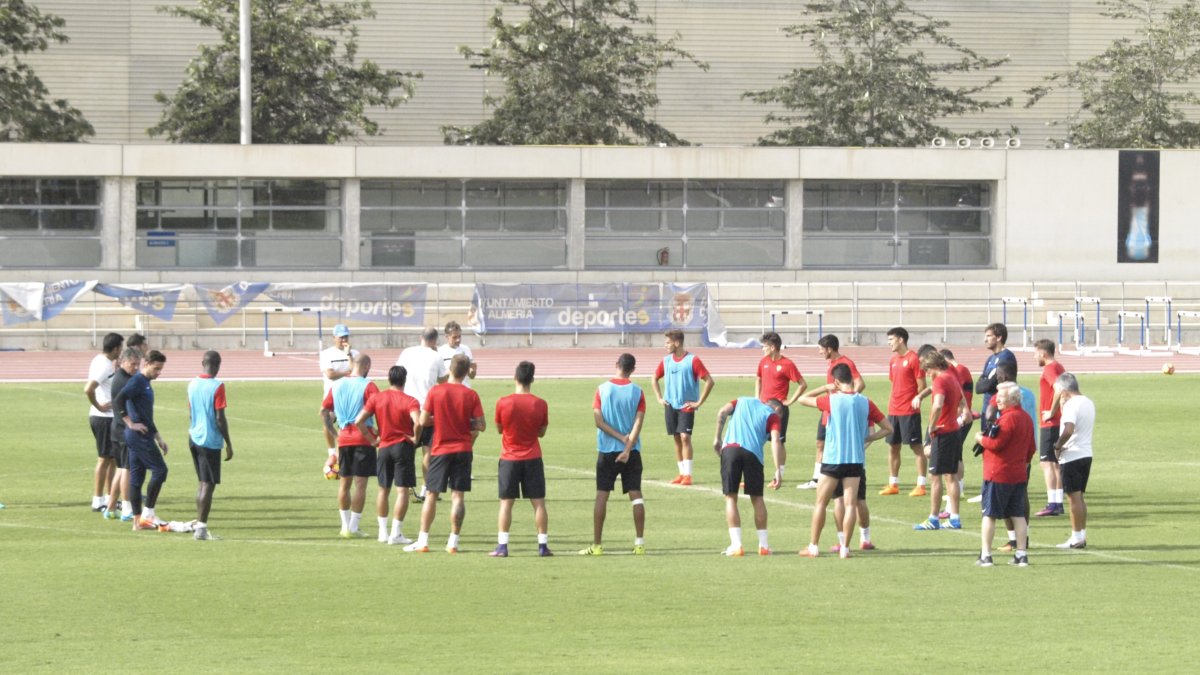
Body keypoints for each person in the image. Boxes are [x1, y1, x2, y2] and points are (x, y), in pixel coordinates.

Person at [796, 364, 891, 558]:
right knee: (850, 505)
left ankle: (813, 546)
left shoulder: (832, 400)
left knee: (821, 503)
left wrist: (825, 388)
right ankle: (845, 549)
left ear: (837, 382)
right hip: (855, 460)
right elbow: (888, 428)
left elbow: (802, 399)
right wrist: (867, 438)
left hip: (833, 459)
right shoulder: (865, 402)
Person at [405, 355, 485, 553]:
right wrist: (464, 422)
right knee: (458, 496)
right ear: (467, 372)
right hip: (463, 450)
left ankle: (423, 541)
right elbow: (481, 425)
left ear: (449, 369)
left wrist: (441, 419)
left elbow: (423, 421)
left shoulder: (436, 391)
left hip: (440, 449)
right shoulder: (471, 394)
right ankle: (453, 542)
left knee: (431, 494)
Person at [581, 353, 647, 556]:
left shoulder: (602, 389)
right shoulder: (638, 392)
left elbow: (598, 422)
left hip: (607, 451)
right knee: (636, 495)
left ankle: (597, 545)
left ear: (616, 365)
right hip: (632, 451)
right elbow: (638, 423)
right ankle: (639, 544)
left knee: (602, 495)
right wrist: (627, 446)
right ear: (633, 370)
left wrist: (619, 438)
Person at [490, 361, 552, 558]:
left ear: (515, 377)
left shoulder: (503, 402)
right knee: (539, 503)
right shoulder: (540, 404)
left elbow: (500, 429)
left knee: (506, 503)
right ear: (532, 379)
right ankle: (542, 545)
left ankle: (502, 546)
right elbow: (541, 432)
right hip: (532, 456)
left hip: (509, 457)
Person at [356, 365, 421, 545]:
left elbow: (359, 421)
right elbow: (418, 421)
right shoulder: (410, 401)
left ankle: (382, 532)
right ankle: (396, 533)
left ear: (389, 379)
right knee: (402, 490)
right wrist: (415, 437)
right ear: (404, 380)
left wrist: (371, 439)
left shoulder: (377, 398)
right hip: (402, 446)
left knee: (383, 489)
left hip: (383, 447)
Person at [711, 396, 785, 556]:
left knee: (731, 497)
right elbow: (775, 441)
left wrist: (717, 438)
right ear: (775, 408)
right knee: (757, 498)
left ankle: (737, 545)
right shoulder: (772, 417)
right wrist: (778, 469)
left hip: (730, 449)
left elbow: (722, 412)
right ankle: (763, 546)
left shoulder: (742, 401)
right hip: (754, 455)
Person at [974, 383, 1037, 567]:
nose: (997, 400)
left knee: (989, 514)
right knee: (1017, 515)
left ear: (1013, 399)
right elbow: (1031, 448)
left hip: (998, 473)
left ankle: (986, 555)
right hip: (1017, 474)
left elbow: (996, 444)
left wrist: (980, 439)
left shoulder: (1008, 419)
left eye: (1002, 397)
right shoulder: (1026, 418)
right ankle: (1021, 554)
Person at [321, 353, 379, 538]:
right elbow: (379, 409)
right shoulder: (368, 385)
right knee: (361, 485)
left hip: (344, 438)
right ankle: (354, 527)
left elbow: (324, 411)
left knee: (344, 484)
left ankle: (344, 526)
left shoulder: (336, 385)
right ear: (367, 366)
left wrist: (335, 434)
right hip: (363, 438)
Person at [651, 329, 715, 486]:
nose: (665, 345)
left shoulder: (693, 360)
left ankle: (688, 475)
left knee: (685, 437)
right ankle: (681, 473)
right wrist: (659, 398)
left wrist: (699, 402)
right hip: (670, 405)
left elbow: (709, 381)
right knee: (677, 438)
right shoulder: (666, 361)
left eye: (668, 342)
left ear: (677, 343)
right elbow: (654, 378)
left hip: (686, 405)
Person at [115, 350, 170, 531]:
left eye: (160, 369)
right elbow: (119, 399)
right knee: (160, 470)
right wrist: (130, 422)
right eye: (156, 368)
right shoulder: (137, 381)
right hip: (138, 436)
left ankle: (137, 522)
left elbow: (146, 415)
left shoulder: (144, 382)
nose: (158, 373)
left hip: (143, 434)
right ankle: (148, 513)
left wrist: (158, 437)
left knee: (136, 478)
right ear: (146, 363)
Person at [801, 334, 865, 489]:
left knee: (833, 443)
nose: (820, 352)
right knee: (820, 443)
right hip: (828, 409)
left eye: (821, 349)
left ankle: (836, 476)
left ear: (829, 349)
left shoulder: (846, 363)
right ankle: (816, 479)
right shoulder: (832, 363)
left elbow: (860, 383)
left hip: (837, 409)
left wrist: (848, 400)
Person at [912, 351, 964, 531]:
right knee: (951, 476)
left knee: (935, 477)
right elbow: (962, 401)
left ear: (934, 367)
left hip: (943, 433)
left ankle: (933, 518)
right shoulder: (952, 376)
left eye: (927, 369)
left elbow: (938, 404)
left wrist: (931, 425)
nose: (926, 373)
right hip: (954, 431)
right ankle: (954, 518)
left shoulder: (941, 380)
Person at [396, 327, 448, 502]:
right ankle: (426, 488)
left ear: (421, 338)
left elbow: (397, 372)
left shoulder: (407, 352)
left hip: (407, 407)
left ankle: (406, 485)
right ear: (435, 341)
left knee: (407, 449)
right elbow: (443, 379)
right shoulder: (436, 356)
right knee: (428, 450)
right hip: (427, 408)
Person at [186, 350, 233, 541]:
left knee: (202, 482)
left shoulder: (192, 384)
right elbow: (220, 417)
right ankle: (201, 529)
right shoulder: (217, 386)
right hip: (209, 440)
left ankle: (200, 525)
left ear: (202, 362)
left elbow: (190, 412)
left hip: (194, 436)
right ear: (218, 364)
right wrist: (228, 443)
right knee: (208, 484)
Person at [879, 327, 927, 497]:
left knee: (916, 447)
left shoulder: (913, 359)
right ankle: (893, 484)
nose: (889, 343)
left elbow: (922, 385)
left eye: (891, 339)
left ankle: (921, 485)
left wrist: (916, 399)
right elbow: (895, 382)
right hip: (894, 411)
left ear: (900, 340)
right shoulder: (893, 360)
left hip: (909, 411)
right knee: (893, 447)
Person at [754, 332, 806, 485]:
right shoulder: (763, 362)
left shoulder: (787, 364)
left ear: (772, 347)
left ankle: (778, 474)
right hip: (762, 408)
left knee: (778, 441)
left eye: (764, 346)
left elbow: (802, 384)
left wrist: (790, 401)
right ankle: (755, 473)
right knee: (757, 440)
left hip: (778, 409)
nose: (762, 349)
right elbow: (758, 379)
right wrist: (757, 398)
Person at [1053, 373, 1094, 550]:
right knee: (1079, 497)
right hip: (1086, 453)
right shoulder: (1088, 402)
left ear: (1063, 390)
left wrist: (1057, 445)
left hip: (1072, 455)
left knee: (1073, 498)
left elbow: (1068, 429)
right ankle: (1081, 534)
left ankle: (1076, 537)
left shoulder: (1071, 405)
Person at [85, 332, 124, 511]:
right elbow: (88, 388)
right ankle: (97, 500)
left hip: (107, 417)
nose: (121, 351)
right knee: (104, 459)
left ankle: (110, 497)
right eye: (120, 348)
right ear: (115, 348)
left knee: (112, 458)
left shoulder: (99, 360)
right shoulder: (105, 366)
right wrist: (99, 406)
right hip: (104, 418)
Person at [104, 347, 141, 521]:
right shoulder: (124, 380)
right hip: (123, 430)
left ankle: (110, 507)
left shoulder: (120, 376)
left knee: (120, 468)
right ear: (123, 362)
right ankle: (127, 507)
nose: (135, 367)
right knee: (127, 469)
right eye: (133, 364)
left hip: (116, 428)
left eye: (138, 364)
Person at [319, 324, 360, 473]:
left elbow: (358, 372)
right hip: (332, 395)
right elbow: (330, 374)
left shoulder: (354, 353)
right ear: (334, 337)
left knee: (348, 426)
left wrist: (349, 355)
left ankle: (343, 454)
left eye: (346, 336)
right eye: (341, 336)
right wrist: (348, 373)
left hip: (350, 396)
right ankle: (331, 452)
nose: (344, 339)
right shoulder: (327, 354)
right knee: (326, 420)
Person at [1034, 339, 1067, 517]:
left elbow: (1059, 388)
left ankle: (1053, 503)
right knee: (1054, 464)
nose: (1034, 357)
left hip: (1051, 423)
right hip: (1057, 422)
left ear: (1043, 353)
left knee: (1047, 463)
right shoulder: (1059, 366)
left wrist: (1051, 411)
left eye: (1036, 353)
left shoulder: (1049, 368)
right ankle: (1057, 503)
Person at [939, 348, 975, 508]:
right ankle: (958, 488)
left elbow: (957, 394)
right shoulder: (960, 370)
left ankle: (957, 488)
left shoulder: (959, 370)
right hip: (959, 416)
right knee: (957, 453)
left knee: (955, 454)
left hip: (959, 418)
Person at [977, 322, 1018, 427]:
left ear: (999, 337)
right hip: (986, 408)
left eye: (989, 336)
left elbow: (990, 384)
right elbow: (979, 387)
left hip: (998, 410)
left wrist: (987, 382)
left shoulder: (1006, 357)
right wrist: (987, 382)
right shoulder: (990, 359)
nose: (985, 340)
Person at [438, 320, 477, 388]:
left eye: (459, 336)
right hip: (448, 391)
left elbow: (472, 376)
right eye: (454, 337)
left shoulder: (466, 349)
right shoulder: (440, 351)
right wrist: (452, 372)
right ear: (447, 337)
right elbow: (438, 378)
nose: (458, 340)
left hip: (464, 390)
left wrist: (472, 371)